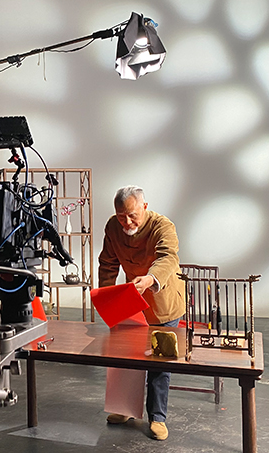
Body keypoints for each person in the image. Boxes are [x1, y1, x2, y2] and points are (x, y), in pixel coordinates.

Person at [97, 185, 185, 441]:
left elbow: (168, 258)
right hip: (131, 301)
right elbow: (108, 262)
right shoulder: (113, 226)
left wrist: (149, 279)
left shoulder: (163, 226)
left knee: (159, 360)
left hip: (163, 301)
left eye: (132, 215)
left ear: (145, 207)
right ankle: (125, 409)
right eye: (121, 216)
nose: (127, 222)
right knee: (127, 357)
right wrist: (107, 296)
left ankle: (157, 417)